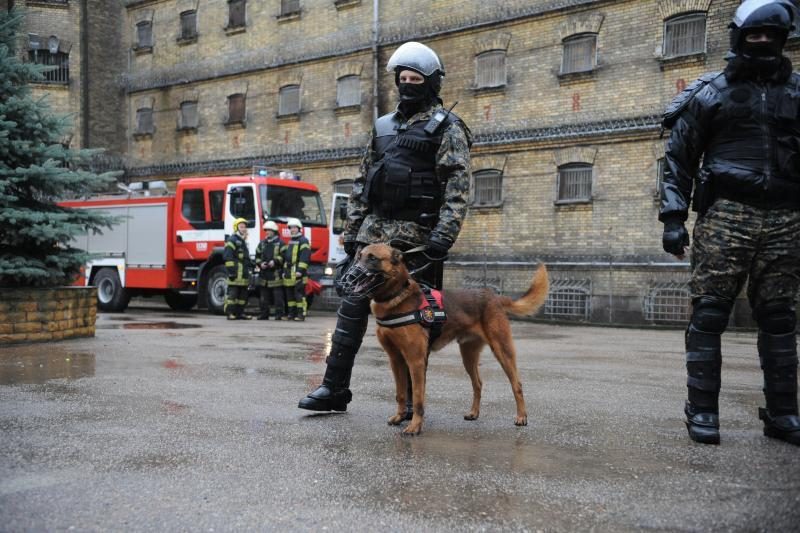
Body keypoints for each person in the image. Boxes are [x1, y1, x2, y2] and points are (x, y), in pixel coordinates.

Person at [299, 41, 472, 412]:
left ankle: (411, 402)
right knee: (351, 307)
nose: (407, 84)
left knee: (414, 321)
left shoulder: (448, 128)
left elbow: (458, 187)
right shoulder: (382, 127)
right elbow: (364, 182)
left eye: (416, 79)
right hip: (372, 237)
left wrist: (444, 235)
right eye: (403, 78)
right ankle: (334, 389)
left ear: (431, 83)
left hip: (416, 244)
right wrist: (351, 230)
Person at [660, 0, 800, 446]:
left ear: (783, 39)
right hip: (727, 215)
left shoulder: (797, 93)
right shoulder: (712, 92)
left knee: (779, 318)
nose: (762, 43)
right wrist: (673, 218)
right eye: (754, 35)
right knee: (710, 313)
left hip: (786, 216)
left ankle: (783, 413)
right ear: (738, 38)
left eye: (770, 36)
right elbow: (679, 158)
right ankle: (701, 409)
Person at [281, 217, 311, 321]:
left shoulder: (303, 241)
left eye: (294, 228)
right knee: (290, 296)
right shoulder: (291, 241)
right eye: (291, 228)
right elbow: (287, 258)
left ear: (299, 229)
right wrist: (284, 272)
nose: (292, 230)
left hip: (298, 273)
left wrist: (300, 271)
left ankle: (301, 314)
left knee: (299, 295)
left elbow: (304, 257)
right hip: (289, 272)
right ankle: (291, 314)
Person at [223, 217, 253, 320]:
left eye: (245, 227)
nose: (244, 229)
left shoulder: (242, 240)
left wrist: (251, 266)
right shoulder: (232, 240)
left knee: (242, 296)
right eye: (241, 226)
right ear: (236, 228)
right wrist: (231, 272)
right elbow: (228, 257)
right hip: (235, 273)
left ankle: (240, 313)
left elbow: (245, 257)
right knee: (233, 295)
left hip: (243, 274)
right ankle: (230, 313)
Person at [255, 220, 285, 320]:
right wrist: (260, 263)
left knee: (278, 297)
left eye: (269, 230)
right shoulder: (262, 243)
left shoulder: (281, 243)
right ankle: (264, 314)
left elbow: (284, 257)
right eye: (266, 230)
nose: (267, 232)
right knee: (263, 297)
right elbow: (257, 256)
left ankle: (279, 314)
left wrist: (275, 262)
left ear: (274, 231)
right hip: (264, 275)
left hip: (276, 274)